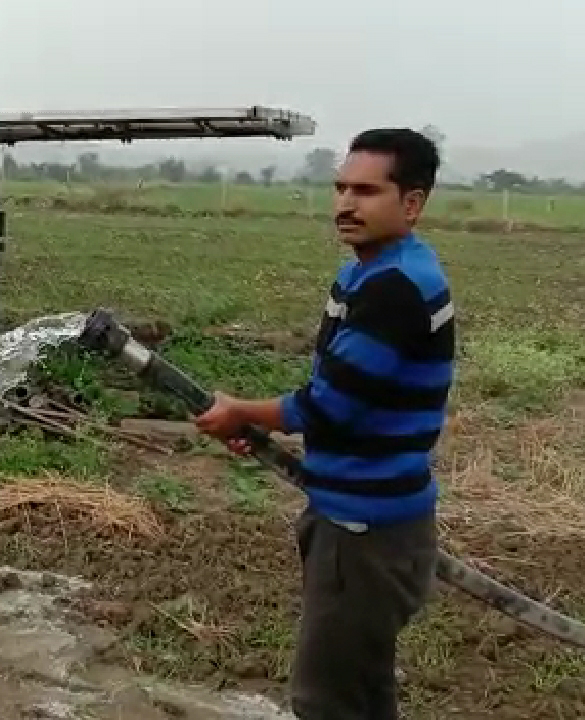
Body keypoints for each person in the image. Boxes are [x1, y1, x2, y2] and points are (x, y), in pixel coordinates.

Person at [195, 128, 454, 720]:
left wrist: (242, 411)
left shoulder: (397, 289)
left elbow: (327, 407)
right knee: (361, 692)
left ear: (411, 203)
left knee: (327, 702)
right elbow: (339, 398)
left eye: (366, 190)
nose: (345, 203)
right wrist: (264, 422)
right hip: (357, 513)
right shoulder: (367, 274)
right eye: (340, 187)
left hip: (364, 530)